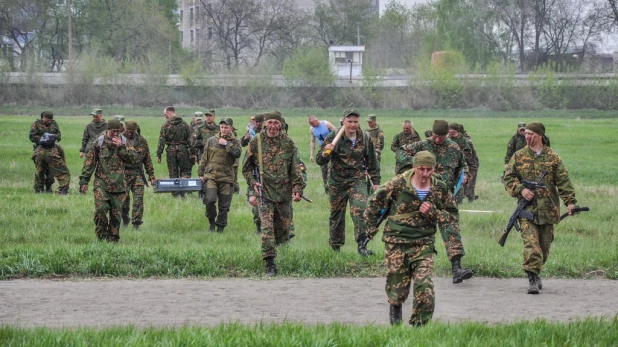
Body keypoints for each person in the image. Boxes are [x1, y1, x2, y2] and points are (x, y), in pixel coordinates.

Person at [365, 151, 456, 326]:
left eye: (429, 169)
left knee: (425, 286)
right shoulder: (398, 183)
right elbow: (374, 202)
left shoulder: (440, 187)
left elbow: (452, 216)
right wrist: (369, 228)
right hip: (396, 242)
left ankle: (419, 329)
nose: (425, 173)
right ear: (415, 167)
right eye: (421, 169)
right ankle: (395, 311)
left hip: (423, 243)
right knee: (396, 287)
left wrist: (433, 212)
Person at [504, 122, 576, 294]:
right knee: (532, 246)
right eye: (526, 134)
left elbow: (563, 181)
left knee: (544, 248)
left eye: (531, 134)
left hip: (548, 211)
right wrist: (521, 190)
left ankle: (535, 272)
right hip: (527, 212)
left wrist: (570, 202)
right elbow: (508, 178)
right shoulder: (519, 156)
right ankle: (532, 279)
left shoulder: (553, 157)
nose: (527, 137)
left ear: (540, 136)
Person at [400, 120, 472, 284]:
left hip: (445, 195)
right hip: (422, 194)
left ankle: (456, 268)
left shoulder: (454, 148)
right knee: (414, 229)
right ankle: (407, 267)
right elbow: (401, 152)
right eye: (435, 136)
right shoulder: (422, 145)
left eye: (441, 137)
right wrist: (413, 166)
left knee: (450, 226)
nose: (437, 140)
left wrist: (465, 175)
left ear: (447, 135)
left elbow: (463, 165)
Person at [242, 111, 305, 276]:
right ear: (264, 124)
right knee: (267, 228)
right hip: (265, 192)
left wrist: (298, 189)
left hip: (284, 193)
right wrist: (252, 182)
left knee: (284, 229)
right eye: (270, 122)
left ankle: (282, 251)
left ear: (281, 124)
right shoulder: (256, 142)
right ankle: (270, 263)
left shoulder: (288, 143)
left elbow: (296, 169)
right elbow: (246, 166)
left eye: (276, 123)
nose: (273, 126)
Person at [316, 109, 380, 256]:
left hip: (357, 180)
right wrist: (327, 150)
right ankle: (335, 247)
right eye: (349, 121)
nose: (352, 125)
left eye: (355, 122)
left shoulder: (364, 137)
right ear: (343, 121)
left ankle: (362, 245)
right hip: (337, 182)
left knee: (360, 210)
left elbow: (372, 162)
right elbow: (320, 160)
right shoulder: (334, 136)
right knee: (336, 215)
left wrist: (375, 181)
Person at [79, 119, 137, 242]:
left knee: (116, 216)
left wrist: (121, 147)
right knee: (100, 210)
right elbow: (90, 163)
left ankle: (113, 241)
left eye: (118, 131)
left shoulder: (124, 142)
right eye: (113, 131)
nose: (115, 134)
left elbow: (133, 159)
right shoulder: (99, 142)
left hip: (119, 186)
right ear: (108, 130)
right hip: (102, 184)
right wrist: (84, 181)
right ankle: (101, 236)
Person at [198, 118, 242, 233]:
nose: (223, 129)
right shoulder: (212, 140)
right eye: (222, 127)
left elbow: (237, 154)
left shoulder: (235, 141)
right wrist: (201, 174)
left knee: (224, 205)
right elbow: (204, 158)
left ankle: (220, 228)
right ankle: (211, 223)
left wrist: (226, 144)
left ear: (231, 128)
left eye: (226, 127)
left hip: (226, 177)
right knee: (210, 200)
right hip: (211, 176)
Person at [121, 120, 156, 231]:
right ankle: (125, 217)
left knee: (138, 199)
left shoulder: (142, 141)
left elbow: (147, 159)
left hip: (137, 174)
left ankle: (136, 223)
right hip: (124, 174)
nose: (130, 133)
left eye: (132, 131)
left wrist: (151, 176)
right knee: (123, 200)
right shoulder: (120, 140)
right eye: (128, 131)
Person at [156, 106, 192, 197]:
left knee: (173, 173)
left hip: (171, 151)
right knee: (185, 172)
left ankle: (175, 193)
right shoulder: (184, 124)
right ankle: (184, 191)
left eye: (165, 115)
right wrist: (193, 153)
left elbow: (161, 141)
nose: (165, 117)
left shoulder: (165, 126)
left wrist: (159, 154)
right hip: (183, 150)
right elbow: (190, 140)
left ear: (168, 114)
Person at [241, 114, 264, 234]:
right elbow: (243, 143)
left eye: (261, 121)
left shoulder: (267, 132)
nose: (259, 123)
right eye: (257, 121)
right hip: (254, 169)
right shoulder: (251, 131)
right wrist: (246, 137)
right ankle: (259, 227)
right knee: (254, 201)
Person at [29, 111, 62, 192]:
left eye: (50, 120)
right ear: (43, 118)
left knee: (51, 170)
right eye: (47, 120)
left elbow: (59, 136)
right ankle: (39, 188)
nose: (49, 122)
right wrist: (43, 139)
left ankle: (49, 186)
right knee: (40, 169)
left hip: (52, 150)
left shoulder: (54, 124)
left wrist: (53, 138)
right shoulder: (36, 124)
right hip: (40, 149)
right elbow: (31, 136)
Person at [308, 115, 337, 193]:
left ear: (316, 120)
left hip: (332, 148)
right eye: (311, 125)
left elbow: (337, 133)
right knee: (324, 169)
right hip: (322, 150)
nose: (313, 126)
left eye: (313, 124)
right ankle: (326, 190)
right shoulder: (312, 129)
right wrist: (311, 154)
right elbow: (313, 142)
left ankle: (333, 189)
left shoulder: (326, 124)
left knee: (331, 169)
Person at [447, 122, 473, 204]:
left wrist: (459, 156)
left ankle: (458, 201)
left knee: (459, 183)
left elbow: (468, 152)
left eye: (450, 129)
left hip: (459, 165)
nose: (449, 130)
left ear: (455, 130)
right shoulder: (448, 138)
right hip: (450, 165)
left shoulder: (462, 140)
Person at [459, 123, 479, 202]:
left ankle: (470, 198)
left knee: (470, 182)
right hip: (466, 163)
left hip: (471, 164)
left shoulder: (466, 141)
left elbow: (470, 155)